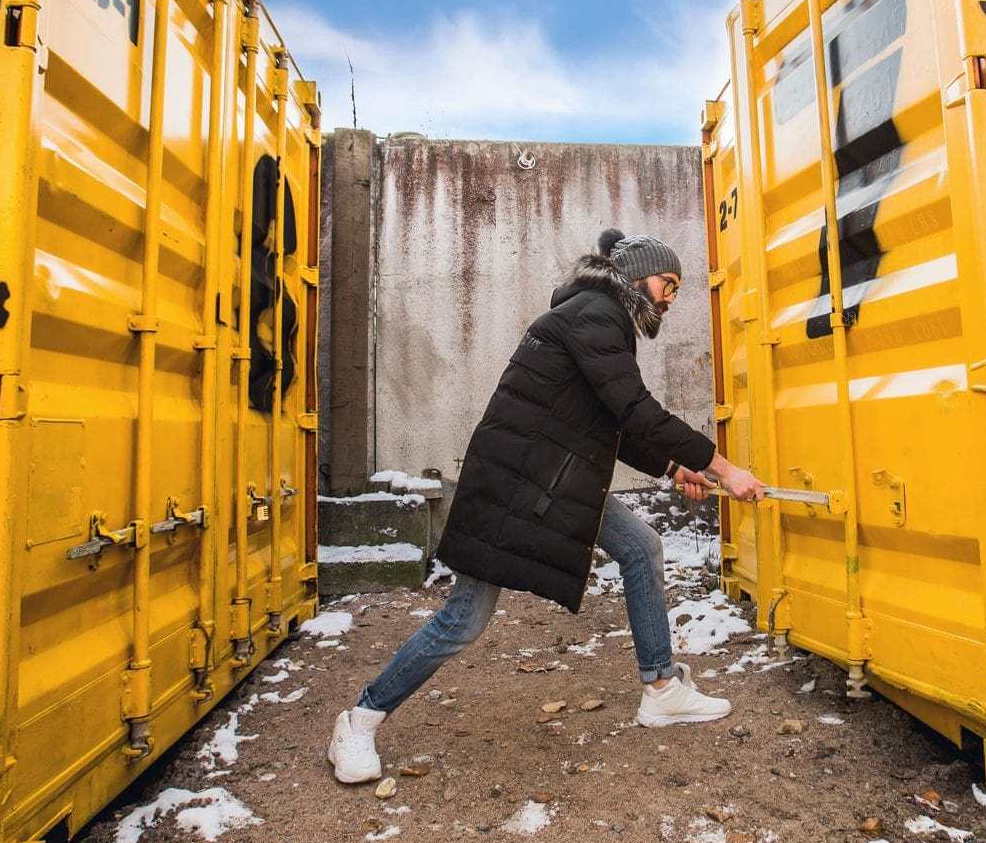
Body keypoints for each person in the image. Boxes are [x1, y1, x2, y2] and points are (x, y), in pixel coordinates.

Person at [327, 229, 767, 783]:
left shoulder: (598, 317)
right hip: (516, 486)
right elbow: (638, 410)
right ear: (636, 278)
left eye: (678, 288)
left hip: (552, 482)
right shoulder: (597, 316)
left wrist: (675, 467)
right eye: (667, 283)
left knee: (640, 546)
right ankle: (359, 718)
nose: (671, 297)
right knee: (464, 620)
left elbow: (612, 423)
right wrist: (722, 467)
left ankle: (661, 687)